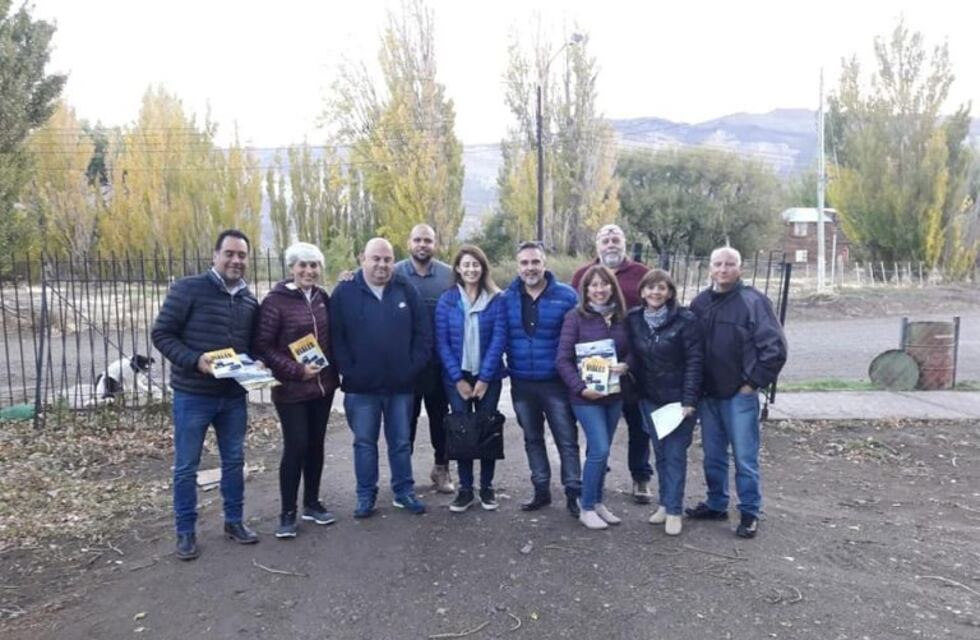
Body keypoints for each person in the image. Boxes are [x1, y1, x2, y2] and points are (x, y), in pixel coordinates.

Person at [151, 229, 260, 561]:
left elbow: (248, 346)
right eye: (229, 253)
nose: (235, 260)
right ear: (215, 256)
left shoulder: (248, 299)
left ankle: (234, 522)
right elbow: (161, 334)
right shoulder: (188, 289)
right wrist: (194, 361)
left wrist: (258, 364)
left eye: (242, 255)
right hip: (193, 394)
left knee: (234, 461)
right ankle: (185, 532)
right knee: (186, 466)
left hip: (232, 396)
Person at [687, 247, 787, 539]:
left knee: (744, 457)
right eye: (717, 264)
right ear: (709, 268)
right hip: (708, 394)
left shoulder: (753, 301)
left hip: (739, 395)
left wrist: (753, 382)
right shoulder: (700, 303)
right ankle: (717, 502)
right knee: (713, 455)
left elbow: (775, 349)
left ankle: (749, 511)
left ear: (739, 269)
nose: (723, 269)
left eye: (730, 264)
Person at [330, 237, 432, 518]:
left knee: (400, 442)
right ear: (363, 258)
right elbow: (335, 337)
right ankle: (365, 496)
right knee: (364, 443)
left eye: (387, 259)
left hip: (400, 386)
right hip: (361, 388)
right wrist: (349, 369)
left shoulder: (405, 289)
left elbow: (423, 333)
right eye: (376, 258)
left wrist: (412, 367)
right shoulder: (345, 291)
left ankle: (403, 492)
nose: (382, 264)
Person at [252, 242, 340, 539]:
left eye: (314, 265)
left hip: (323, 388)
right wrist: (296, 370)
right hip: (291, 390)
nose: (308, 270)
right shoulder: (275, 301)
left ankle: (312, 503)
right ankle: (287, 512)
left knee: (316, 445)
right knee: (296, 445)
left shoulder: (322, 297)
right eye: (302, 265)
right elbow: (263, 346)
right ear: (291, 268)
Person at [570, 224, 654, 504]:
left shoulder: (641, 274)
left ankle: (640, 477)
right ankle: (597, 477)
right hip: (594, 373)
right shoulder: (582, 275)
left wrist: (630, 362)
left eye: (615, 239)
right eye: (605, 240)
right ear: (597, 245)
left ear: (624, 243)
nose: (610, 244)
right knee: (599, 436)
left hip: (633, 368)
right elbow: (575, 315)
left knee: (639, 426)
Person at [501, 241, 582, 515]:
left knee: (566, 439)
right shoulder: (507, 298)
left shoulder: (567, 297)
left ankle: (574, 492)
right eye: (524, 263)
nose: (530, 268)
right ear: (518, 266)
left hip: (556, 383)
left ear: (544, 264)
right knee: (532, 438)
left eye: (535, 262)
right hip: (522, 383)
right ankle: (541, 490)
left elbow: (580, 336)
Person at [626, 269, 703, 536]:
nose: (655, 293)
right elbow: (632, 353)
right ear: (642, 292)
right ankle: (664, 503)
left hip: (679, 401)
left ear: (670, 292)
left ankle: (674, 511)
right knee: (659, 454)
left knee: (675, 455)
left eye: (661, 288)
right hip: (650, 399)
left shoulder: (685, 320)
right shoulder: (634, 319)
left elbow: (695, 361)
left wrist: (689, 400)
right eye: (650, 288)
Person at [434, 244, 507, 513]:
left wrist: (485, 377)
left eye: (476, 264)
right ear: (457, 269)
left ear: (483, 268)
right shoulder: (447, 300)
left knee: (487, 431)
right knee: (462, 431)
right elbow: (441, 342)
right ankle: (465, 489)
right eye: (466, 265)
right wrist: (458, 379)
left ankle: (486, 488)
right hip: (457, 378)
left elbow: (500, 338)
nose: (471, 269)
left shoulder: (496, 299)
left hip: (489, 376)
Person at [556, 265, 630, 530]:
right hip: (585, 398)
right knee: (598, 449)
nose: (599, 290)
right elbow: (562, 360)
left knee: (603, 450)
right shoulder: (574, 317)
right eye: (593, 285)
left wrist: (626, 365)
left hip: (613, 395)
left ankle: (598, 502)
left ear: (612, 287)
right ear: (585, 290)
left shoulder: (623, 317)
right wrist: (580, 388)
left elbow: (631, 351)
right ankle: (586, 507)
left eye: (604, 284)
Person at [393, 224, 456, 494]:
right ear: (409, 242)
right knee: (405, 421)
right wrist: (349, 276)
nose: (422, 245)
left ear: (435, 245)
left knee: (441, 419)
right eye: (417, 239)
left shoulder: (448, 275)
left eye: (428, 241)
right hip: (404, 365)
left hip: (438, 364)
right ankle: (402, 476)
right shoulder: (394, 272)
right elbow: (366, 282)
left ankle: (441, 469)